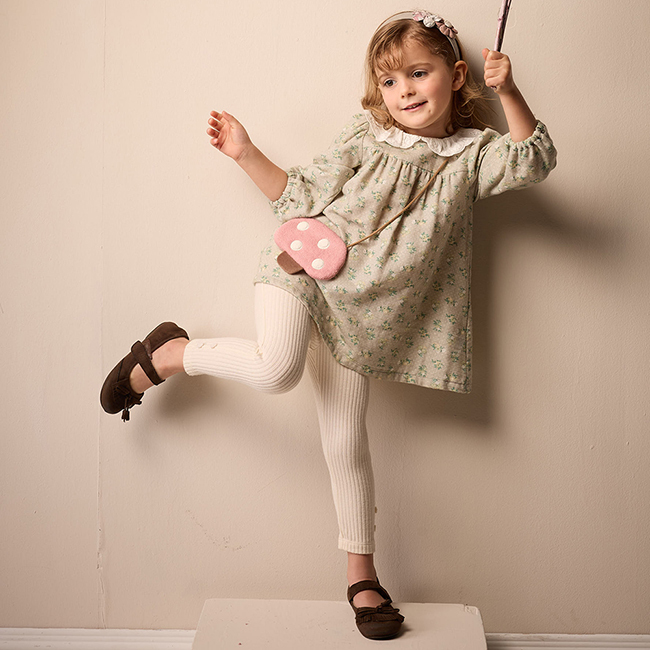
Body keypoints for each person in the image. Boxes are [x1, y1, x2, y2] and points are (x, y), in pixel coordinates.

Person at [101, 9, 556, 640]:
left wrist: (509, 91)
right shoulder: (367, 137)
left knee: (346, 443)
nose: (405, 92)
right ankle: (172, 354)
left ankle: (362, 578)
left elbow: (534, 160)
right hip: (302, 270)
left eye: (418, 74)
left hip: (363, 315)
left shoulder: (473, 156)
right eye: (390, 81)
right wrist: (245, 151)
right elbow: (300, 195)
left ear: (456, 76)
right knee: (276, 369)